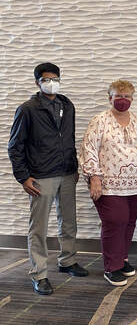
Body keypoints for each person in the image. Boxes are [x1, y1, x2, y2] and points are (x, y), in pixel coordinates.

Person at [8, 63, 88, 295]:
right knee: (39, 228)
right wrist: (23, 177)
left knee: (69, 221)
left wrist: (74, 166)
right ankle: (39, 273)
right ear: (37, 82)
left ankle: (68, 260)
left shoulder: (66, 104)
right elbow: (15, 146)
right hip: (41, 176)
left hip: (66, 173)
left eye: (55, 78)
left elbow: (69, 138)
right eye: (46, 79)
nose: (51, 82)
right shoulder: (27, 109)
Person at [80, 80, 137, 287]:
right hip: (108, 184)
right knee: (115, 221)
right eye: (118, 96)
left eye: (127, 96)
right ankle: (111, 267)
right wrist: (94, 177)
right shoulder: (99, 121)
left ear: (133, 98)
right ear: (109, 97)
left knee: (129, 221)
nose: (123, 100)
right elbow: (88, 149)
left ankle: (123, 259)